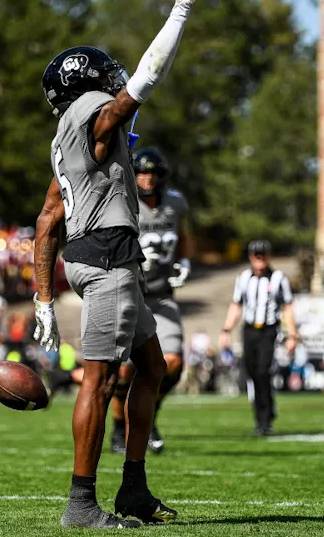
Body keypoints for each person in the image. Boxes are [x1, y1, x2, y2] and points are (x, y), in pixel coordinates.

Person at [31, 0, 211, 529]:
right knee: (101, 377)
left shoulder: (65, 138)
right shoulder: (91, 115)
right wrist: (181, 5)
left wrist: (42, 300)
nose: (115, 82)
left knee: (151, 368)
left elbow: (46, 221)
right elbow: (146, 80)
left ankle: (133, 489)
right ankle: (81, 505)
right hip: (107, 259)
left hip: (104, 259)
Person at [105, 147, 193, 455]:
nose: (146, 179)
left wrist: (184, 262)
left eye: (151, 173)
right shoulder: (124, 203)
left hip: (162, 295)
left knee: (173, 365)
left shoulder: (175, 203)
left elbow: (182, 236)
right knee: (125, 371)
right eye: (141, 172)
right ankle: (119, 428)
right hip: (131, 294)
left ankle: (149, 414)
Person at [218, 240, 297, 436]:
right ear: (251, 257)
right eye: (256, 255)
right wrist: (226, 330)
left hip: (268, 330)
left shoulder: (279, 278)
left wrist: (292, 335)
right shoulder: (244, 278)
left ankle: (265, 418)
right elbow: (236, 305)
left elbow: (287, 307)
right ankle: (264, 413)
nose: (259, 258)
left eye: (263, 254)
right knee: (252, 372)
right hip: (249, 330)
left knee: (263, 371)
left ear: (269, 256)